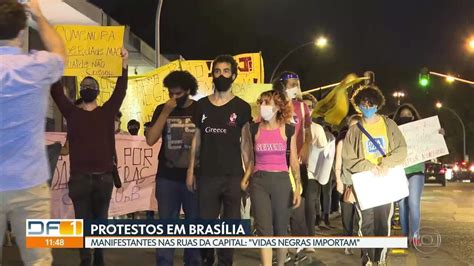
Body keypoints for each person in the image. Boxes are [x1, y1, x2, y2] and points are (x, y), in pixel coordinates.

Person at [0, 0, 65, 265]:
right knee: (39, 260)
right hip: (31, 183)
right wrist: (38, 15)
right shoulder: (39, 66)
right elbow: (60, 51)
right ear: (21, 30)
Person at [51, 48, 129, 266]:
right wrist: (124, 66)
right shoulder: (105, 113)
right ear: (96, 92)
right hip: (101, 178)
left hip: (83, 179)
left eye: (88, 87)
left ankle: (88, 259)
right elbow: (120, 91)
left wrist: (57, 65)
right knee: (99, 221)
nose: (87, 89)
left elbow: (56, 92)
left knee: (83, 222)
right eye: (86, 87)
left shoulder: (73, 113)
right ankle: (97, 259)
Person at [187, 55, 252, 266]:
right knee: (206, 225)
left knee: (230, 225)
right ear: (212, 75)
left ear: (233, 75)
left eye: (225, 71)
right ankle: (207, 259)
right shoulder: (201, 106)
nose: (221, 75)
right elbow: (196, 140)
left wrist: (248, 174)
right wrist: (190, 171)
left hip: (233, 176)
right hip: (207, 175)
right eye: (217, 71)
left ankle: (226, 262)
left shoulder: (242, 107)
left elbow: (246, 144)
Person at [342, 85, 407, 266]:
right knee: (365, 222)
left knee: (383, 221)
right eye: (363, 104)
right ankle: (368, 258)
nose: (367, 107)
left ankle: (380, 258)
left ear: (378, 105)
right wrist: (367, 167)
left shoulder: (389, 125)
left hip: (386, 180)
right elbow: (347, 158)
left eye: (371, 104)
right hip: (364, 182)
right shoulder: (354, 131)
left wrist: (386, 163)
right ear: (358, 105)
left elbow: (402, 150)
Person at [146, 71, 201, 266]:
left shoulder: (199, 109)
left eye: (178, 94)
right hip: (167, 177)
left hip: (193, 177)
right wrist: (165, 112)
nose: (173, 97)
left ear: (188, 90)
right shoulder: (163, 108)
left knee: (193, 226)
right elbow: (151, 139)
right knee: (166, 225)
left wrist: (194, 170)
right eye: (170, 93)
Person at [241, 90, 301, 266]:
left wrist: (297, 187)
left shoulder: (289, 130)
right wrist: (246, 177)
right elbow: (251, 158)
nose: (262, 107)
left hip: (282, 182)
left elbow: (294, 161)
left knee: (281, 229)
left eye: (267, 103)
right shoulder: (253, 129)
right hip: (259, 181)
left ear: (278, 107)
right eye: (261, 103)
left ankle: (280, 263)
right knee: (263, 230)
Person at [272, 71, 313, 260]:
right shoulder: (274, 105)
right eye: (290, 84)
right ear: (282, 86)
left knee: (298, 206)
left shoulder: (303, 107)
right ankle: (279, 250)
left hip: (297, 163)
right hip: (276, 162)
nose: (294, 87)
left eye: (297, 83)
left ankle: (298, 247)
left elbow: (308, 132)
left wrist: (305, 147)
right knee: (278, 207)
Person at [392, 103, 425, 246]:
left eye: (408, 115)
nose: (405, 117)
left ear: (414, 116)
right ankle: (405, 236)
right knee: (402, 205)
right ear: (398, 117)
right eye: (402, 115)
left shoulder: (421, 130)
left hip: (416, 170)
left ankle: (415, 235)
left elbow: (431, 140)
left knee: (413, 203)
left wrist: (438, 133)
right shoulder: (393, 131)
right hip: (399, 171)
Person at [301, 94, 330, 235]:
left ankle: (310, 238)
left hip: (311, 175)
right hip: (292, 173)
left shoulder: (317, 129)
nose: (307, 109)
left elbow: (324, 153)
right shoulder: (290, 125)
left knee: (309, 206)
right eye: (304, 106)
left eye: (310, 107)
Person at [335, 114, 362, 255]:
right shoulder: (342, 142)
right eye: (352, 126)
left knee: (363, 217)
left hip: (364, 184)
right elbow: (338, 164)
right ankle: (347, 242)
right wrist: (339, 181)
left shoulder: (366, 143)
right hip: (348, 184)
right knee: (347, 216)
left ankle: (363, 243)